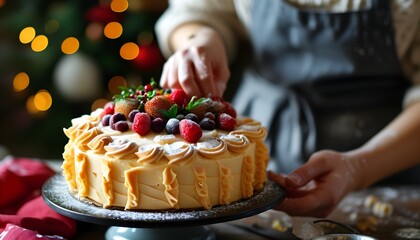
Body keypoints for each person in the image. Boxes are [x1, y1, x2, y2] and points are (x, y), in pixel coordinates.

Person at [154, 0, 420, 217]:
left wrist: (358, 168)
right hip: (248, 170)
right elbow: (196, 12)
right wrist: (200, 36)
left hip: (386, 172)